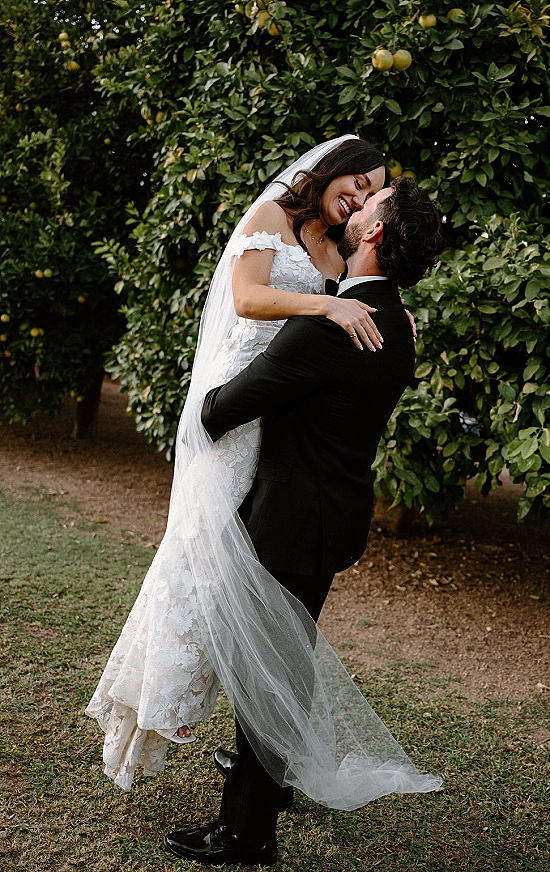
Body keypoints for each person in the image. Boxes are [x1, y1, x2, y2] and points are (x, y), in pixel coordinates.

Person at [85, 136, 391, 786]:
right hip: (232, 413)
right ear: (331, 169)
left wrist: (379, 307)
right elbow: (250, 298)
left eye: (370, 195)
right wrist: (328, 302)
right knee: (198, 558)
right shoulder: (270, 219)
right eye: (357, 184)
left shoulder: (334, 249)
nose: (358, 200)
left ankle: (255, 754)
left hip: (280, 425)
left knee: (254, 584)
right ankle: (157, 708)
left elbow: (346, 321)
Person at [164, 176, 445, 866]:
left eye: (372, 206)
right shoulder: (398, 322)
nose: (357, 207)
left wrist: (231, 354)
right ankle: (270, 778)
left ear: (374, 234)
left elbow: (221, 408)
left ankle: (248, 832)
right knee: (281, 659)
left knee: (270, 674)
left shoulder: (329, 329)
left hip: (291, 520)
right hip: (331, 516)